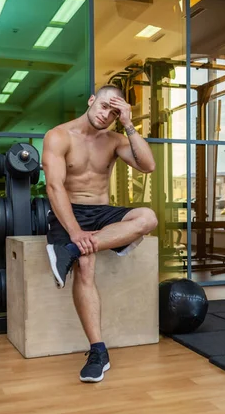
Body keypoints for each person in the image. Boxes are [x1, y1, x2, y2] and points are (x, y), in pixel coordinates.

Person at [42, 85, 157, 383]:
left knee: (147, 217)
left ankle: (71, 250)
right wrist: (75, 231)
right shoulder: (59, 136)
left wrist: (129, 124)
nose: (106, 115)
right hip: (69, 211)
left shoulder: (116, 139)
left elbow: (148, 166)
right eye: (104, 106)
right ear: (92, 100)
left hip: (101, 211)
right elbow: (54, 188)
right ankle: (98, 351)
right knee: (87, 265)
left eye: (115, 112)